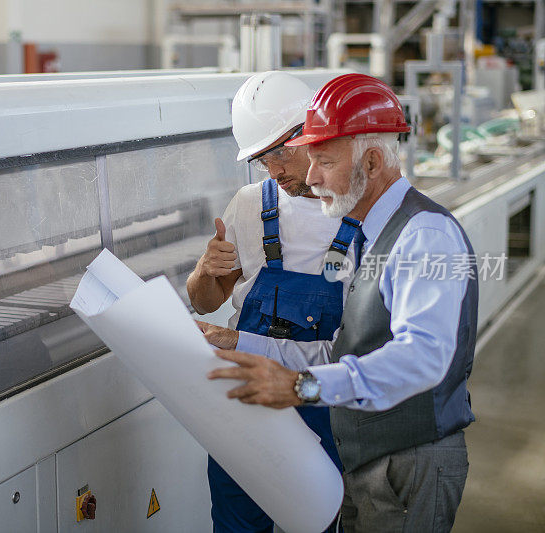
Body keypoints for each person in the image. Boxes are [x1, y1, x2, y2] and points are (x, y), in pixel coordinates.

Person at [207, 73, 476, 532]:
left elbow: (424, 357)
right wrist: (243, 343)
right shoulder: (367, 239)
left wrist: (302, 388)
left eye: (324, 162)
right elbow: (341, 351)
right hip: (367, 462)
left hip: (408, 466)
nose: (310, 178)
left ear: (371, 162)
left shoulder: (424, 235)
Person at [187, 71, 359, 533]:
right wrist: (205, 271)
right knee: (237, 522)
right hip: (246, 406)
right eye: (264, 160)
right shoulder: (249, 204)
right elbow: (203, 303)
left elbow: (360, 350)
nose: (275, 170)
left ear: (314, 133)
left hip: (325, 404)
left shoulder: (360, 214)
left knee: (324, 519)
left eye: (281, 152)